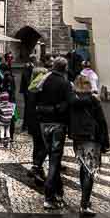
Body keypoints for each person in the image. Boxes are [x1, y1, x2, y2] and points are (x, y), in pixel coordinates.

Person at [69, 73, 110, 216]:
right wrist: (106, 142)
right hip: (91, 138)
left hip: (77, 138)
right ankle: (84, 204)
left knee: (83, 167)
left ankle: (84, 199)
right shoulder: (93, 100)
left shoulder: (72, 100)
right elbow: (102, 121)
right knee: (90, 170)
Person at [37, 57, 72, 210]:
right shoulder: (64, 83)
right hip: (57, 124)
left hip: (43, 123)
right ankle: (49, 196)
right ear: (64, 68)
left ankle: (58, 189)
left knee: (53, 157)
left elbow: (34, 95)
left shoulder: (43, 79)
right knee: (54, 160)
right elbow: (68, 103)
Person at [25, 64, 49, 183]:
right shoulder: (38, 89)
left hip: (33, 122)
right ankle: (37, 167)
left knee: (37, 145)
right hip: (40, 121)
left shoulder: (31, 88)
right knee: (45, 145)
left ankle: (38, 170)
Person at [19, 54, 36, 130]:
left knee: (29, 107)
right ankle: (26, 125)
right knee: (28, 108)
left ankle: (27, 124)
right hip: (28, 90)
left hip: (28, 90)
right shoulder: (28, 66)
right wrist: (29, 88)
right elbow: (26, 79)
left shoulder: (29, 66)